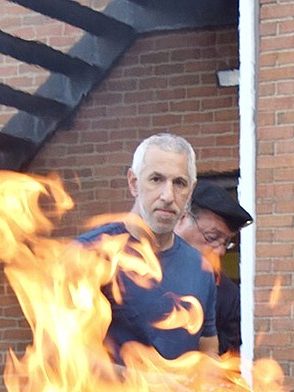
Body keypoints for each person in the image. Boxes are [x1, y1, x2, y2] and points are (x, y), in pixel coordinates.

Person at [77, 133, 218, 361]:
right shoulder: (89, 254)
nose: (167, 196)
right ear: (134, 183)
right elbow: (68, 360)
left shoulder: (200, 268)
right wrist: (160, 384)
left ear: (190, 191)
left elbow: (208, 348)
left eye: (179, 183)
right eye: (156, 179)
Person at [174, 181, 253, 355]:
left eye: (226, 242)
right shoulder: (135, 269)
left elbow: (226, 364)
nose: (220, 251)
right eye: (212, 237)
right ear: (181, 219)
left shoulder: (226, 295)